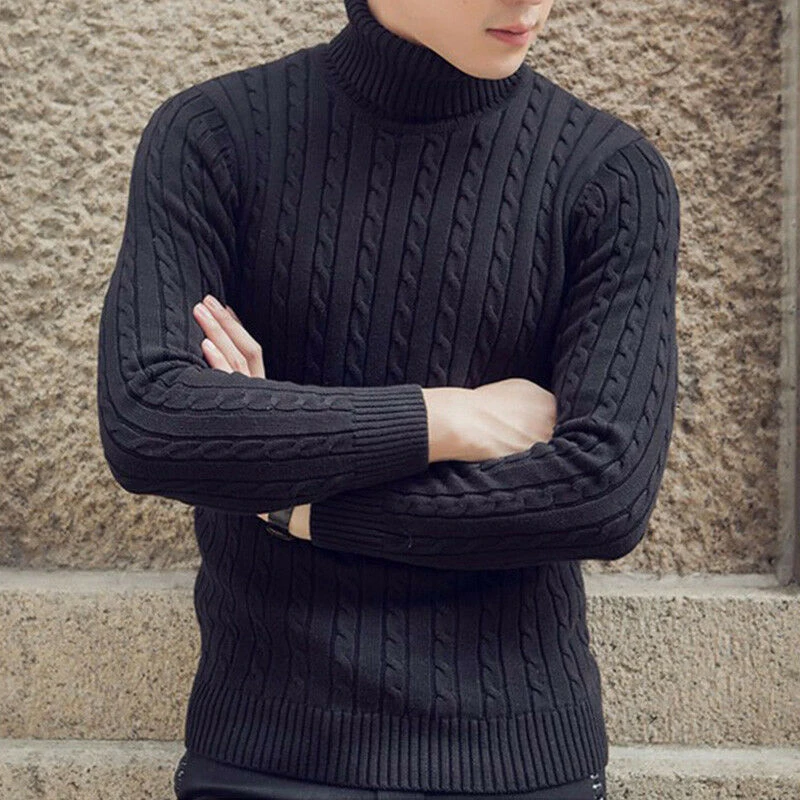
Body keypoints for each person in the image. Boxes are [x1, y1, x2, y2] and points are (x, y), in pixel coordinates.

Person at [96, 0, 680, 797]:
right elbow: (150, 421)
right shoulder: (213, 136)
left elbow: (603, 496)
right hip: (265, 755)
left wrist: (291, 500)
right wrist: (448, 418)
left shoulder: (612, 176)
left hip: (518, 763)